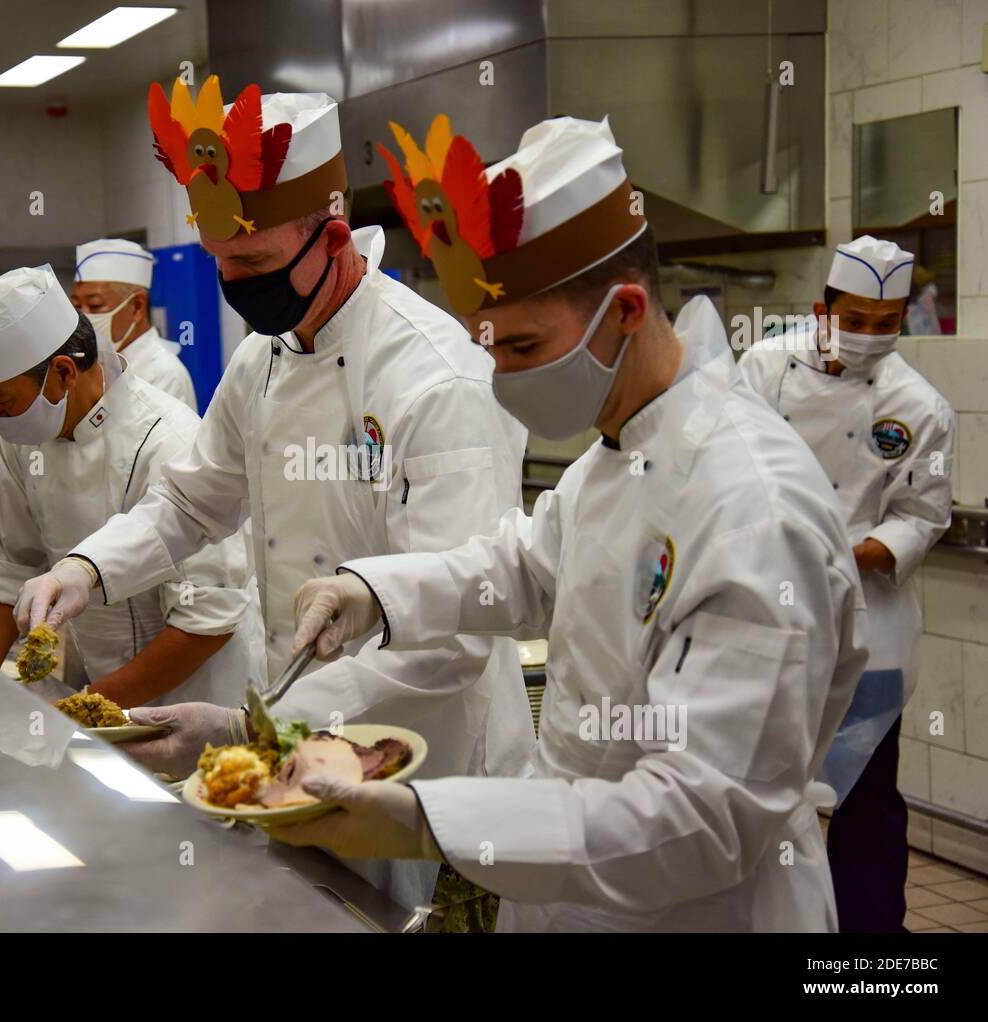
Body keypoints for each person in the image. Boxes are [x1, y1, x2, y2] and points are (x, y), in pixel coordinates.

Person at [275, 114, 869, 932]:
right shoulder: (624, 445)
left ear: (625, 309)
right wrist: (370, 591)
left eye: (522, 347)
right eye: (491, 347)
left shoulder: (752, 508)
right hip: (566, 892)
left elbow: (703, 817)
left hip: (700, 911)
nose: (499, 378)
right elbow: (526, 565)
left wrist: (431, 821)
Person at [13, 77, 534, 908]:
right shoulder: (263, 360)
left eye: (251, 263)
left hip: (432, 769)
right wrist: (85, 570)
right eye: (220, 261)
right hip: (308, 755)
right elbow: (192, 503)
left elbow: (454, 628)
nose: (231, 283)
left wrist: (264, 723)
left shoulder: (434, 379)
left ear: (332, 237)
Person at [739, 236, 954, 932]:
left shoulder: (920, 406)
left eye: (885, 323)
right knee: (757, 800)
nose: (867, 337)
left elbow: (921, 518)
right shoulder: (762, 368)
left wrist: (839, 552)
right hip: (763, 621)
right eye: (853, 320)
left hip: (871, 633)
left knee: (865, 810)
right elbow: (722, 467)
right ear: (819, 310)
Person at [0, 264, 260, 707]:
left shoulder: (167, 440)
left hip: (196, 695)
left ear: (63, 374)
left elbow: (207, 618)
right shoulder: (22, 431)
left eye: (1, 398)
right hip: (98, 679)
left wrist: (85, 711)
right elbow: (7, 563)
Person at [73, 238, 197, 410]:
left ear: (137, 306)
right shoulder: (95, 362)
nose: (84, 317)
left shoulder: (163, 374)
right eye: (77, 307)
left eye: (95, 306)